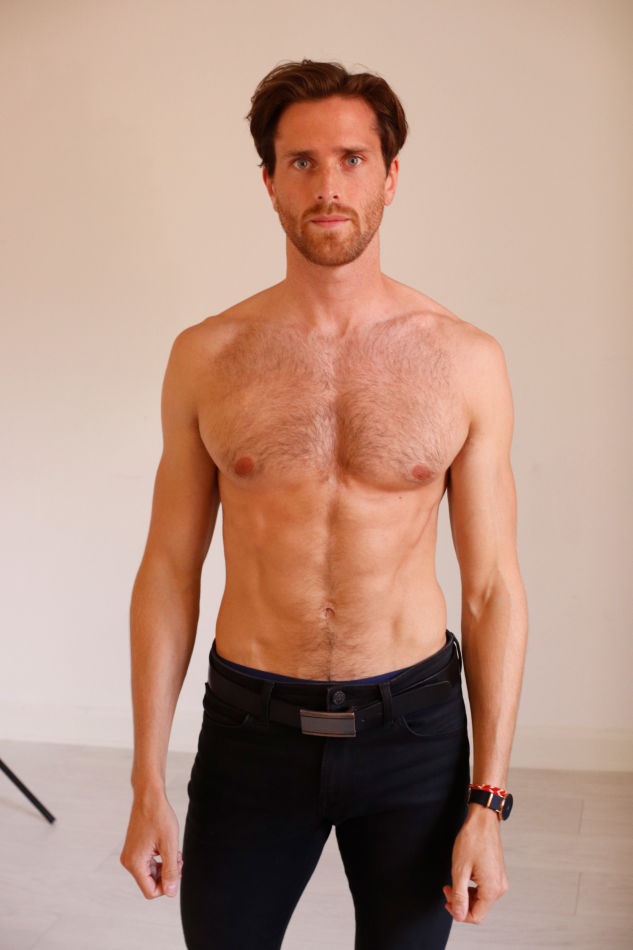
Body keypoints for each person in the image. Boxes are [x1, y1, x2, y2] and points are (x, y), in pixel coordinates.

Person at [120, 59, 528, 950]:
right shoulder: (207, 356)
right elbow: (168, 570)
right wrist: (146, 776)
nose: (327, 186)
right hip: (250, 729)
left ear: (390, 175)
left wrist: (487, 800)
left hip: (412, 734)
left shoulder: (465, 360)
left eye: (351, 158)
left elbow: (492, 587)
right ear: (268, 182)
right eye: (301, 162)